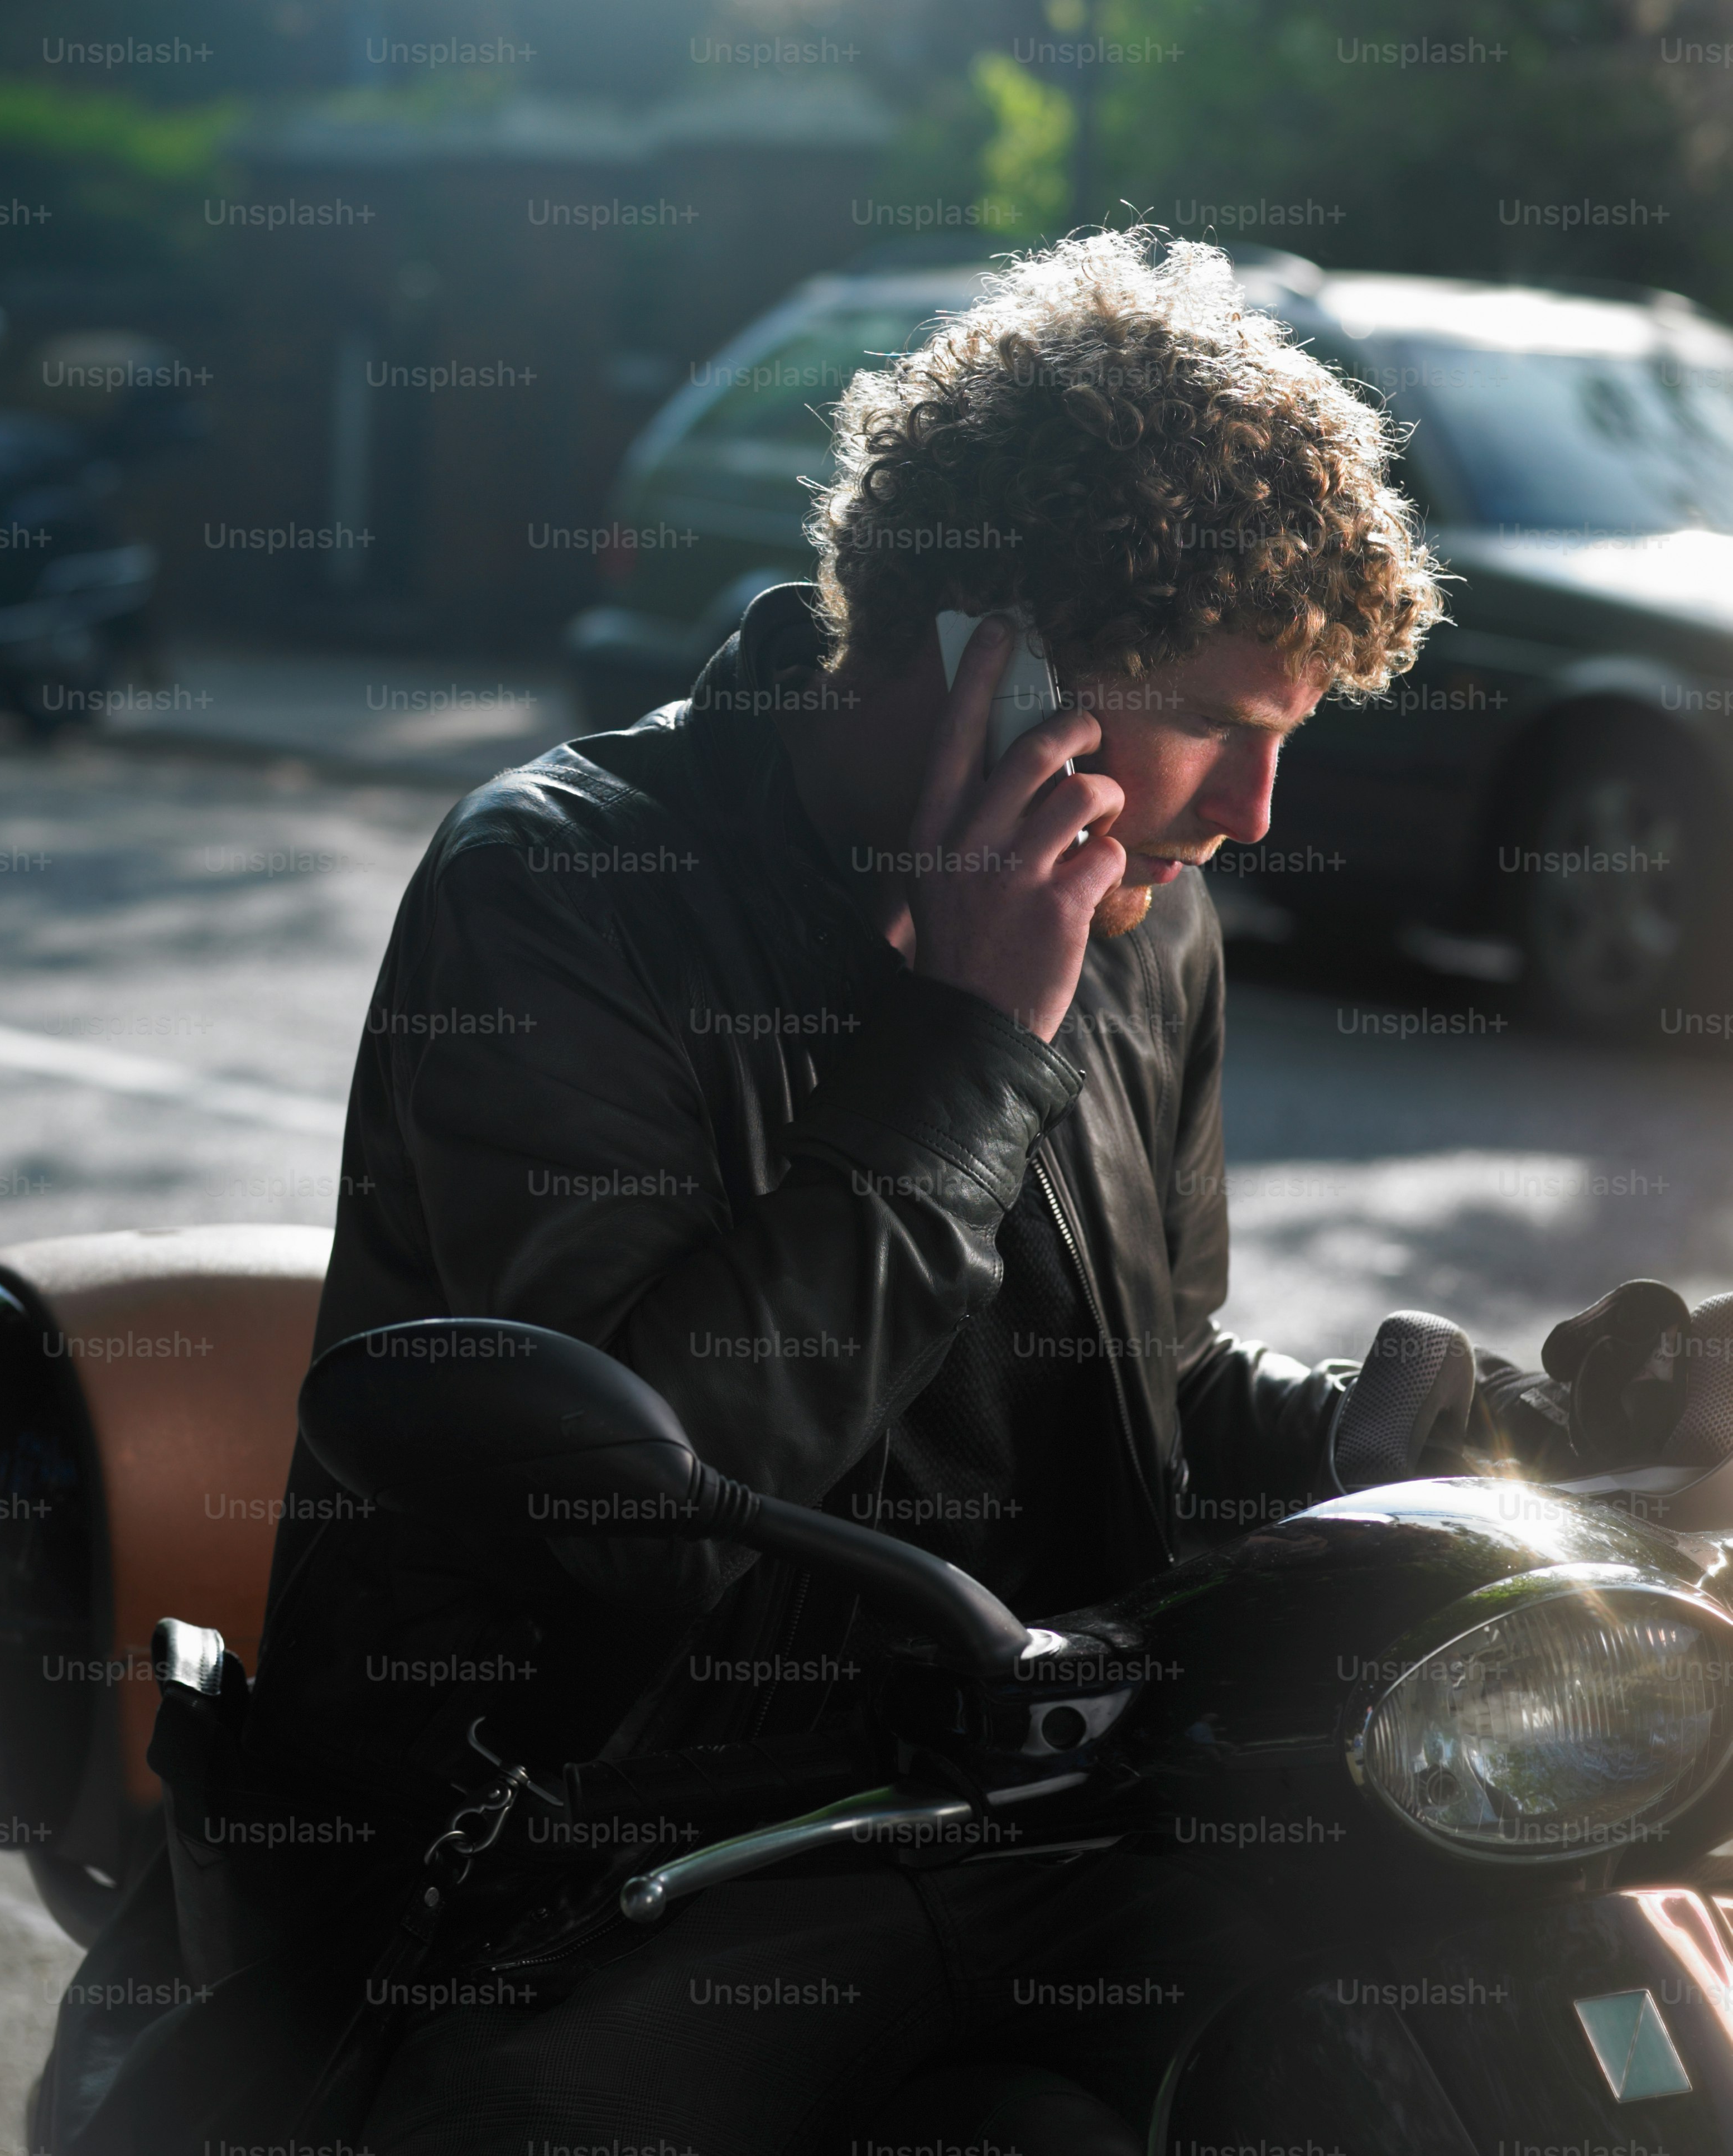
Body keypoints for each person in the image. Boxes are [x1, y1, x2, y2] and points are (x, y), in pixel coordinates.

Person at [239, 229, 1447, 2150]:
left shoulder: (1143, 920)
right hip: (606, 1846)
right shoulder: (564, 891)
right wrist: (965, 1046)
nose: (1253, 815)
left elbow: (1130, 1388)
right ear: (1002, 651)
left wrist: (1439, 1438)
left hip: (1023, 1801)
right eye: (1223, 723)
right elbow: (622, 1518)